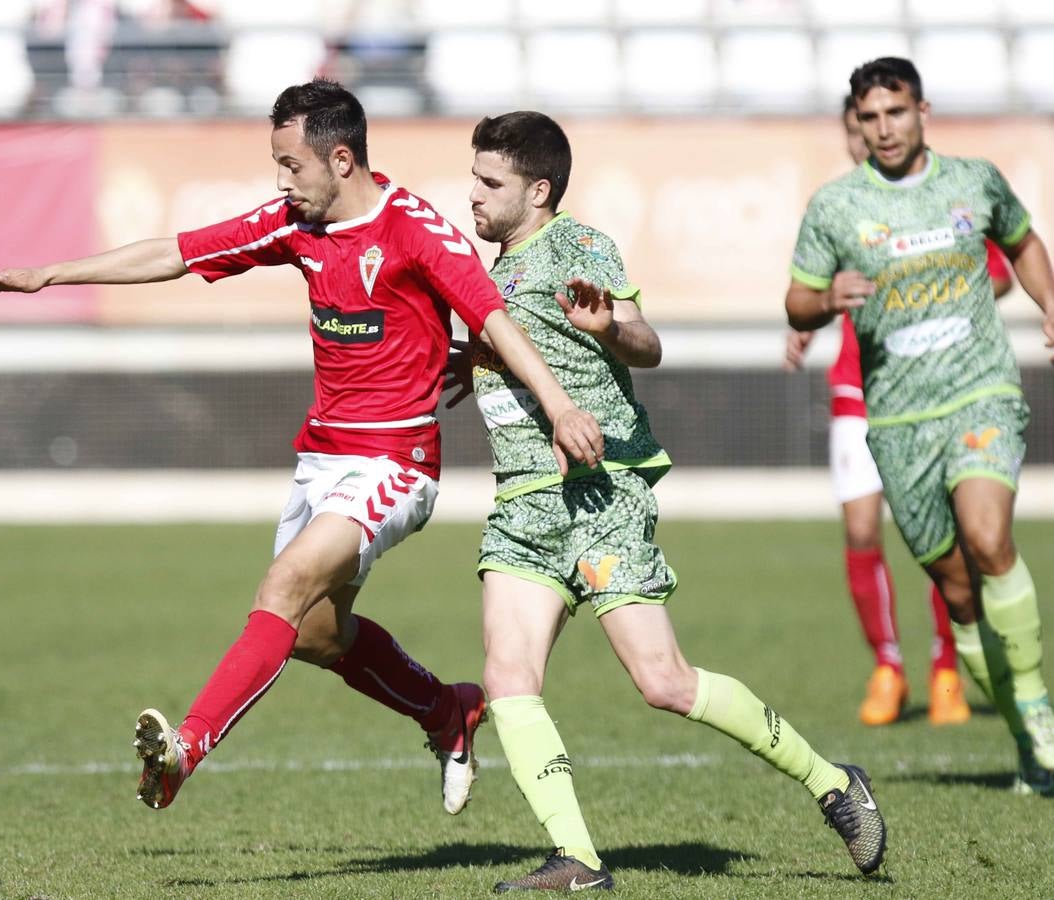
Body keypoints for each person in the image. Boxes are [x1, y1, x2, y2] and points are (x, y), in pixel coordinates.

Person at [0, 78, 604, 816]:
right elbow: (176, 252)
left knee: (283, 589)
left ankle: (184, 751)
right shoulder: (295, 225)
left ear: (339, 159)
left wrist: (557, 406)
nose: (280, 182)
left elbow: (491, 318)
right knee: (317, 636)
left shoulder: (415, 231)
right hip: (321, 459)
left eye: (290, 165)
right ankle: (446, 710)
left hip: (395, 463)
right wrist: (51, 274)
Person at [446, 110, 886, 892]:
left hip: (600, 492)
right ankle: (578, 859)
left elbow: (647, 342)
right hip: (522, 502)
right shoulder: (492, 272)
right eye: (473, 177)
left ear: (538, 190)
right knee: (508, 675)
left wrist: (609, 322)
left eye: (490, 182)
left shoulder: (574, 246)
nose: (472, 194)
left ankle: (832, 783)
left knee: (664, 683)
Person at [785, 57, 1054, 795]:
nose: (885, 129)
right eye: (870, 118)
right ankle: (1015, 720)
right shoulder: (836, 207)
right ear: (857, 125)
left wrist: (1049, 301)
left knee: (991, 538)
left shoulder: (974, 181)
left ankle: (1038, 712)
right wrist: (823, 301)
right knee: (957, 590)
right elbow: (797, 301)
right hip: (897, 420)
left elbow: (1024, 242)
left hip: (980, 394)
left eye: (896, 113)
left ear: (922, 110)